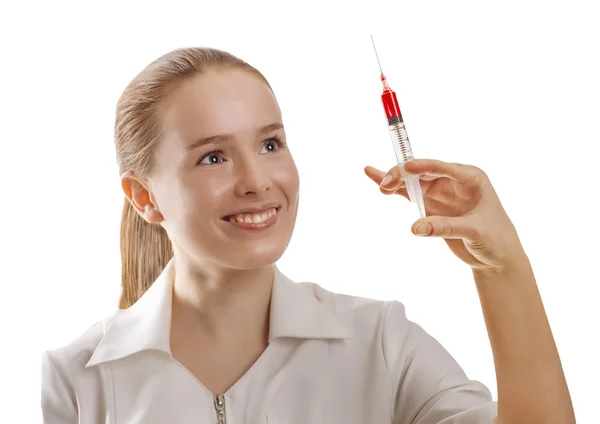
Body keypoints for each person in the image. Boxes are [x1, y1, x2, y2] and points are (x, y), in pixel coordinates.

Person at [40, 47, 575, 424]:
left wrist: (501, 267)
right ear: (144, 197)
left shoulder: (380, 344)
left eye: (270, 144)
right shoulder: (77, 379)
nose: (257, 181)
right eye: (213, 156)